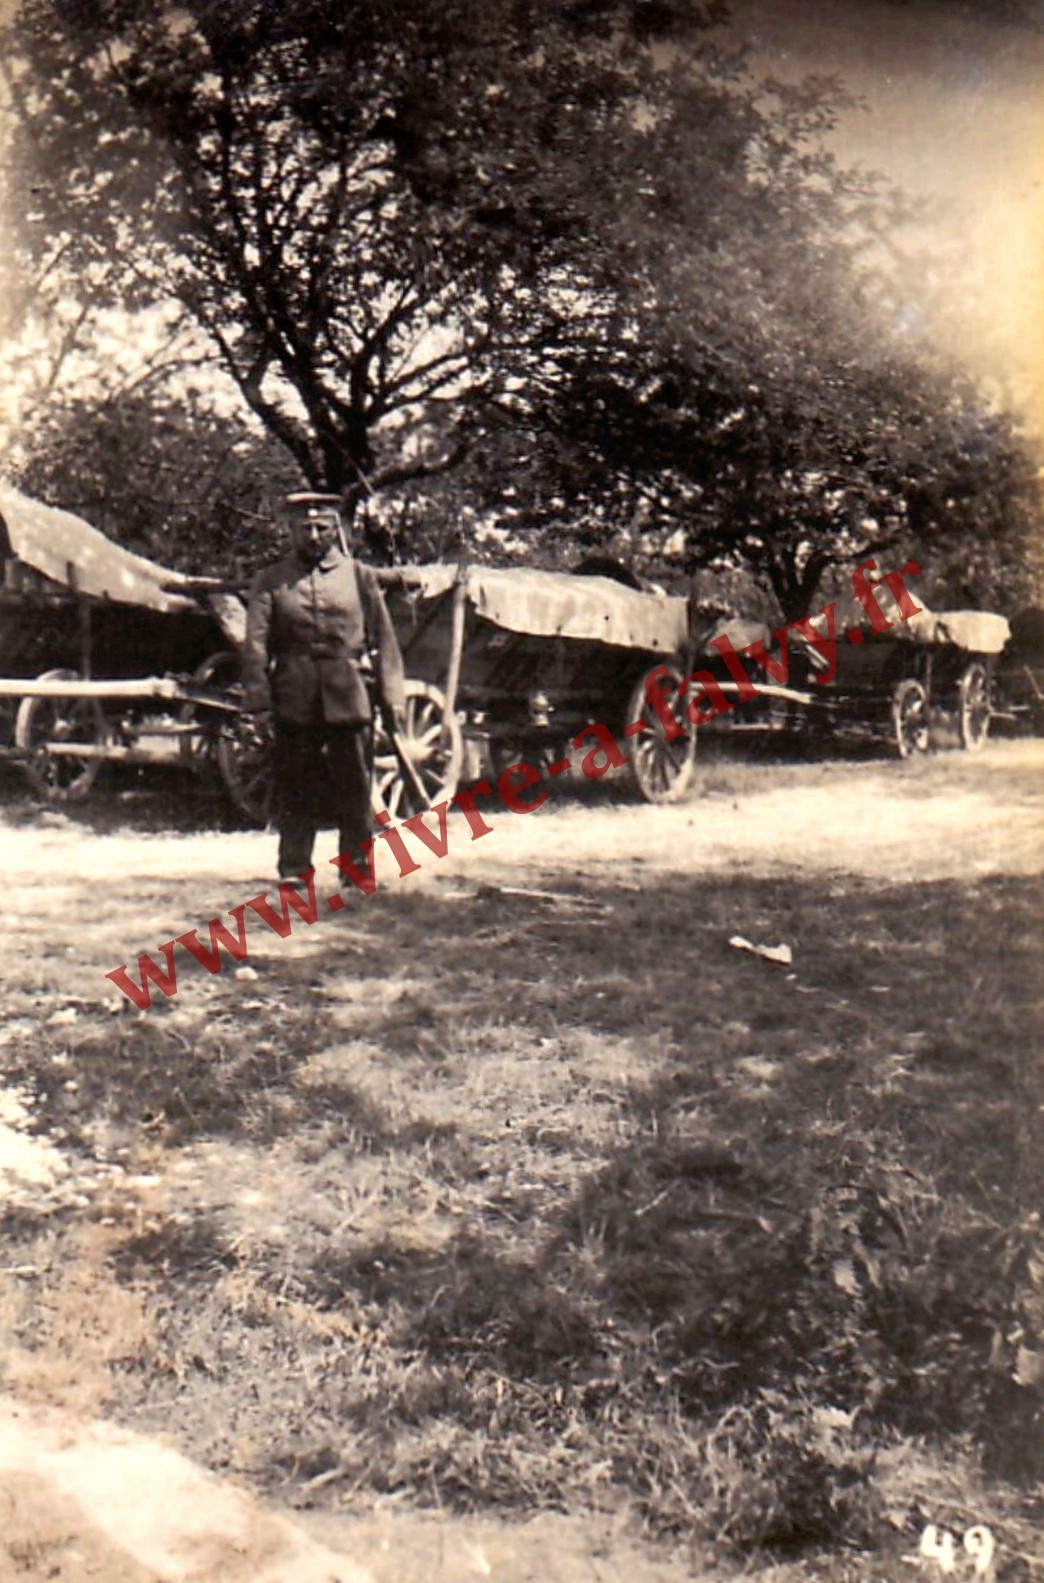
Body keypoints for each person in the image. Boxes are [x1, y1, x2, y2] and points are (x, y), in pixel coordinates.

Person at [242, 491, 406, 883]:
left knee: (354, 784)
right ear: (290, 531)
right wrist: (260, 702)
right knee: (295, 783)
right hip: (293, 695)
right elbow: (254, 645)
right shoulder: (271, 580)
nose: (313, 535)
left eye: (321, 527)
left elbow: (385, 641)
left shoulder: (360, 577)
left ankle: (357, 868)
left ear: (337, 529)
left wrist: (392, 699)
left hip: (348, 693)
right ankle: (295, 868)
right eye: (304, 528)